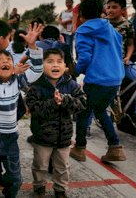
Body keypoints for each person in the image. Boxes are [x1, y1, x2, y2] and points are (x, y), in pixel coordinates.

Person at [0, 24, 44, 197]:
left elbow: (37, 71)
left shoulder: (18, 80)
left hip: (10, 138)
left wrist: (33, 47)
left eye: (8, 59)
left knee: (15, 178)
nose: (5, 61)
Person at [69, 0, 126, 162]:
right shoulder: (111, 29)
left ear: (81, 15)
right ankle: (115, 148)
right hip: (115, 79)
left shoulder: (83, 30)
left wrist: (74, 70)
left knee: (83, 111)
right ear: (101, 11)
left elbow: (84, 58)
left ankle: (79, 149)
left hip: (97, 79)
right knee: (101, 110)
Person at [26, 48, 86, 198]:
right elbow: (34, 109)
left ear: (65, 65)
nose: (55, 65)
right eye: (50, 61)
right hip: (42, 137)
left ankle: (60, 189)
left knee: (62, 167)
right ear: (42, 64)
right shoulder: (36, 86)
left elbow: (82, 104)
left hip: (64, 137)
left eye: (59, 61)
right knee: (40, 165)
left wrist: (65, 100)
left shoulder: (71, 84)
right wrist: (53, 102)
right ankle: (39, 186)